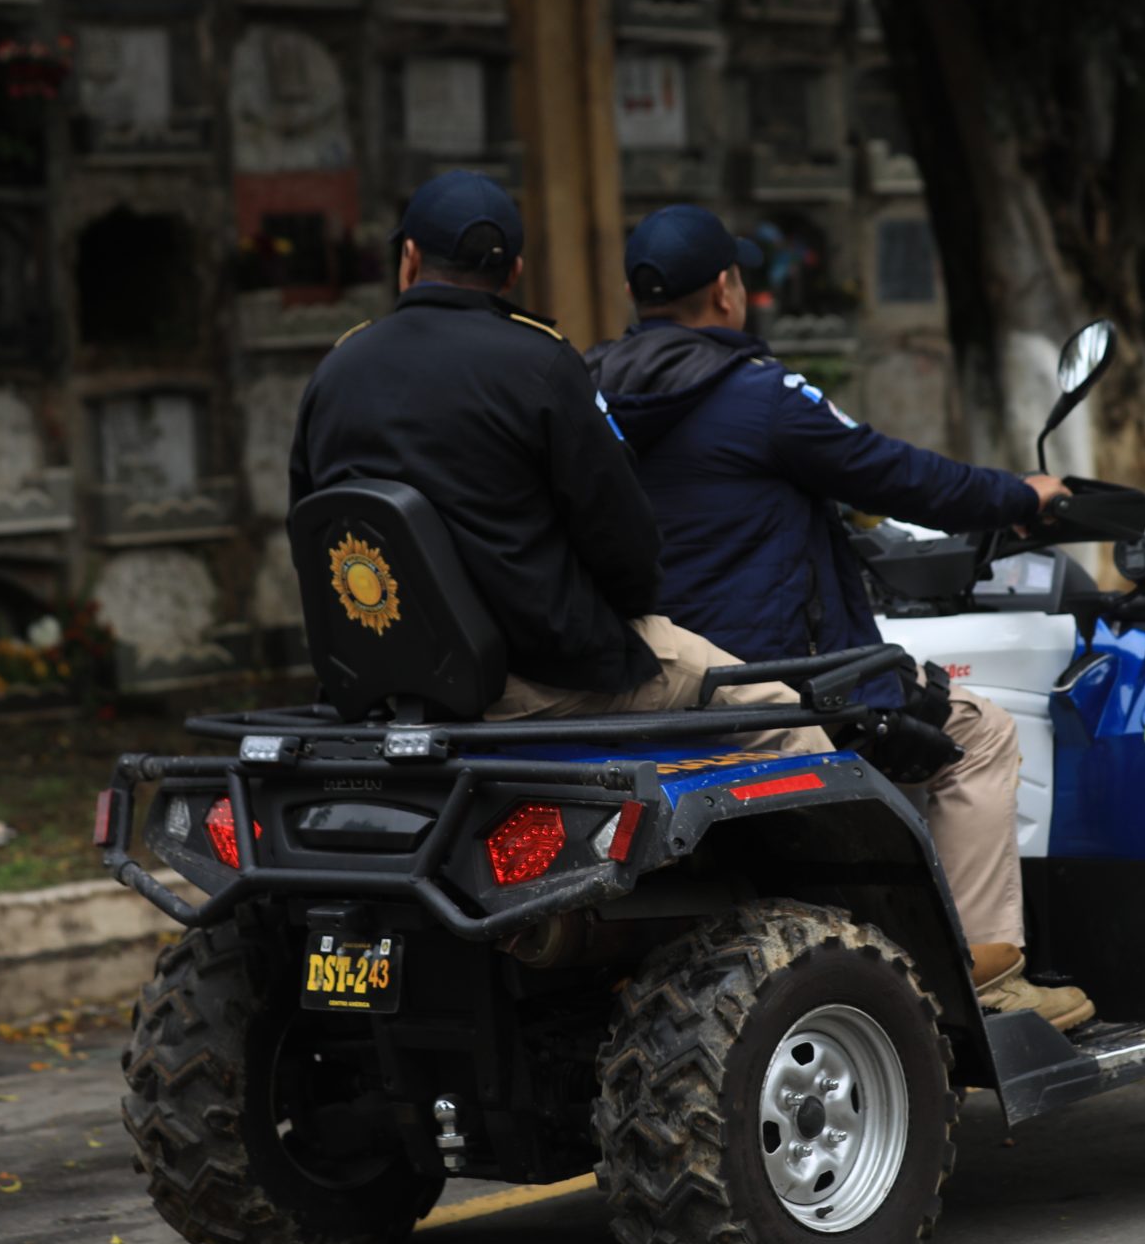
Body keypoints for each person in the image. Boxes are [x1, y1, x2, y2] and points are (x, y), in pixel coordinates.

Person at [586, 205, 1093, 1032]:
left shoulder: (588, 393)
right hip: (781, 682)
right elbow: (902, 477)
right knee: (980, 734)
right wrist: (1021, 495)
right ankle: (986, 980)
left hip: (648, 685)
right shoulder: (761, 398)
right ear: (725, 289)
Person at [286, 173, 828, 757]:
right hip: (544, 676)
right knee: (784, 715)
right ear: (514, 272)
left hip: (387, 679)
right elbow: (625, 540)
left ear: (410, 258)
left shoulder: (335, 371)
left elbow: (308, 531)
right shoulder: (539, 360)